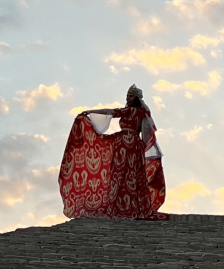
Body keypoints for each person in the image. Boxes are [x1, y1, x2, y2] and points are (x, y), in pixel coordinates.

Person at [57, 84, 168, 220]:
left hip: (124, 145)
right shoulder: (143, 113)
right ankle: (134, 207)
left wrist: (89, 112)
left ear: (136, 98)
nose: (127, 98)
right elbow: (148, 135)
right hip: (135, 145)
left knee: (120, 174)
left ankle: (120, 206)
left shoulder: (128, 111)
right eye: (127, 95)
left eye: (130, 96)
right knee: (132, 175)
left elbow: (109, 112)